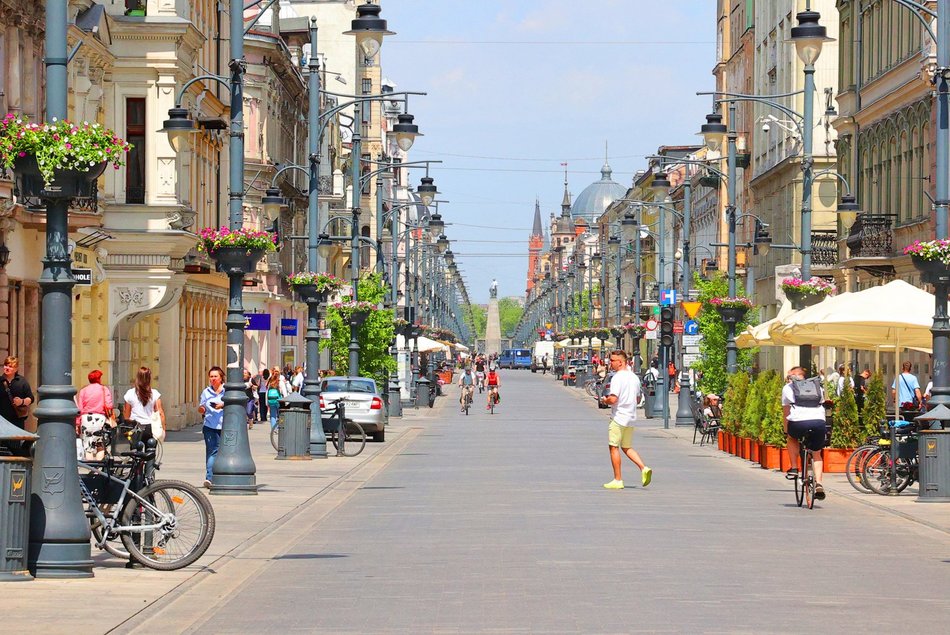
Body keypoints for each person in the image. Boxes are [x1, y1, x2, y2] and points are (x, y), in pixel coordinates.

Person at [598, 350, 651, 490]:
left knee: (613, 446)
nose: (611, 363)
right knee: (626, 446)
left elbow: (613, 399)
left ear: (621, 362)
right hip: (631, 417)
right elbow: (638, 398)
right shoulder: (634, 377)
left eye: (613, 361)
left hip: (619, 416)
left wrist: (604, 400)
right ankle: (644, 468)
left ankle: (618, 479)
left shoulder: (617, 378)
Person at [782, 366, 827, 500]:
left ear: (793, 377)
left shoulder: (788, 388)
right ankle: (819, 483)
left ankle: (795, 468)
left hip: (798, 422)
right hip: (818, 422)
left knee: (791, 438)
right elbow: (822, 403)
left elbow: (786, 411)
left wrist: (786, 431)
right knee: (817, 452)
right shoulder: (817, 387)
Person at [123, 366, 166, 456]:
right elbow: (160, 413)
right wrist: (163, 429)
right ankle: (149, 468)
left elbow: (126, 415)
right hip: (149, 428)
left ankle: (137, 468)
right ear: (149, 378)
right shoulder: (154, 394)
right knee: (150, 451)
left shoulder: (130, 393)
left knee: (135, 452)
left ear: (137, 377)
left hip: (135, 428)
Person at [75, 370, 115, 457]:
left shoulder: (83, 390)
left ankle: (91, 469)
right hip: (99, 419)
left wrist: (77, 423)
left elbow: (79, 409)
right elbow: (109, 405)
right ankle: (97, 470)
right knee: (100, 445)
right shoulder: (104, 389)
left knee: (88, 447)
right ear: (99, 379)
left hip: (86, 419)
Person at [198, 366, 225, 488]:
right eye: (211, 376)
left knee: (221, 452)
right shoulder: (206, 392)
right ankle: (209, 477)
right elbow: (202, 406)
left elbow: (232, 403)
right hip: (209, 425)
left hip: (224, 425)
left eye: (215, 376)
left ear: (221, 378)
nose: (213, 379)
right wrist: (201, 409)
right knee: (212, 451)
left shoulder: (227, 390)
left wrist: (222, 405)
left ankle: (220, 475)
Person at [0, 356, 34, 431]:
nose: (7, 368)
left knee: (15, 442)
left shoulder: (22, 381)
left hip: (17, 421)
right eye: (6, 365)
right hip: (2, 421)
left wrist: (22, 402)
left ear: (16, 369)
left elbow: (31, 398)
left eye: (10, 366)